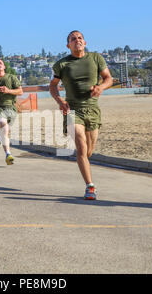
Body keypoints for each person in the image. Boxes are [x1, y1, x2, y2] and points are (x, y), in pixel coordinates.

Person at [50, 30, 113, 200]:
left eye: (80, 38)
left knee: (88, 151)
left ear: (84, 43)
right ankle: (90, 186)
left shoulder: (96, 58)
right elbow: (53, 85)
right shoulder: (61, 65)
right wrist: (60, 101)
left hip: (92, 110)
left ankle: (83, 161)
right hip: (72, 109)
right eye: (73, 39)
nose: (77, 40)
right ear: (68, 45)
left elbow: (108, 78)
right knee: (80, 144)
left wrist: (101, 87)